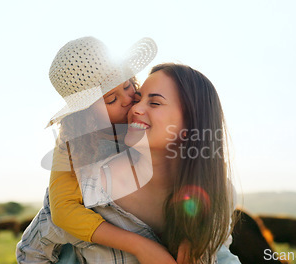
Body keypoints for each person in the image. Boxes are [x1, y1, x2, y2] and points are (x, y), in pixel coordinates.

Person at [17, 62, 241, 263]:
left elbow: (222, 254)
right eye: (112, 100)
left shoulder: (218, 195)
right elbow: (34, 251)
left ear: (189, 126)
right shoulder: (87, 189)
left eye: (153, 102)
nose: (133, 107)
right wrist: (141, 247)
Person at [17, 36, 179, 264]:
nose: (128, 99)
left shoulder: (146, 123)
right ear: (85, 114)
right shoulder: (72, 143)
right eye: (111, 99)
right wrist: (141, 247)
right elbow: (63, 209)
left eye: (127, 85)